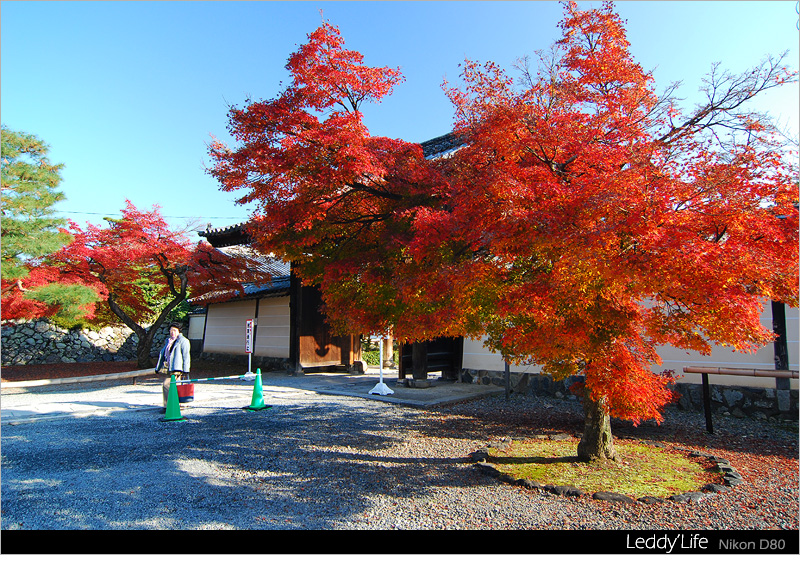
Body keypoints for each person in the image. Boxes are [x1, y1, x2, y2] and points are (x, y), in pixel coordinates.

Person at [155, 322, 191, 410]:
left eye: (174, 330)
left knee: (168, 385)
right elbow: (163, 354)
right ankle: (170, 406)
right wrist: (158, 367)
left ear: (179, 331)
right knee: (170, 386)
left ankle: (171, 406)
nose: (172, 332)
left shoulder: (183, 341)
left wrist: (186, 369)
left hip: (177, 368)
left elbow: (186, 355)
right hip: (168, 367)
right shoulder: (169, 341)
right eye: (171, 330)